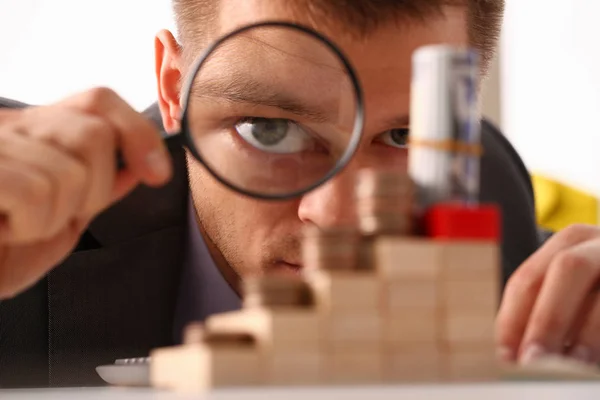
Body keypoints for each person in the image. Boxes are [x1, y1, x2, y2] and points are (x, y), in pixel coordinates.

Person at [0, 0, 598, 388]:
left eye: (406, 134)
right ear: (174, 86)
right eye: (269, 130)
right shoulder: (17, 208)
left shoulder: (513, 256)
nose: (335, 216)